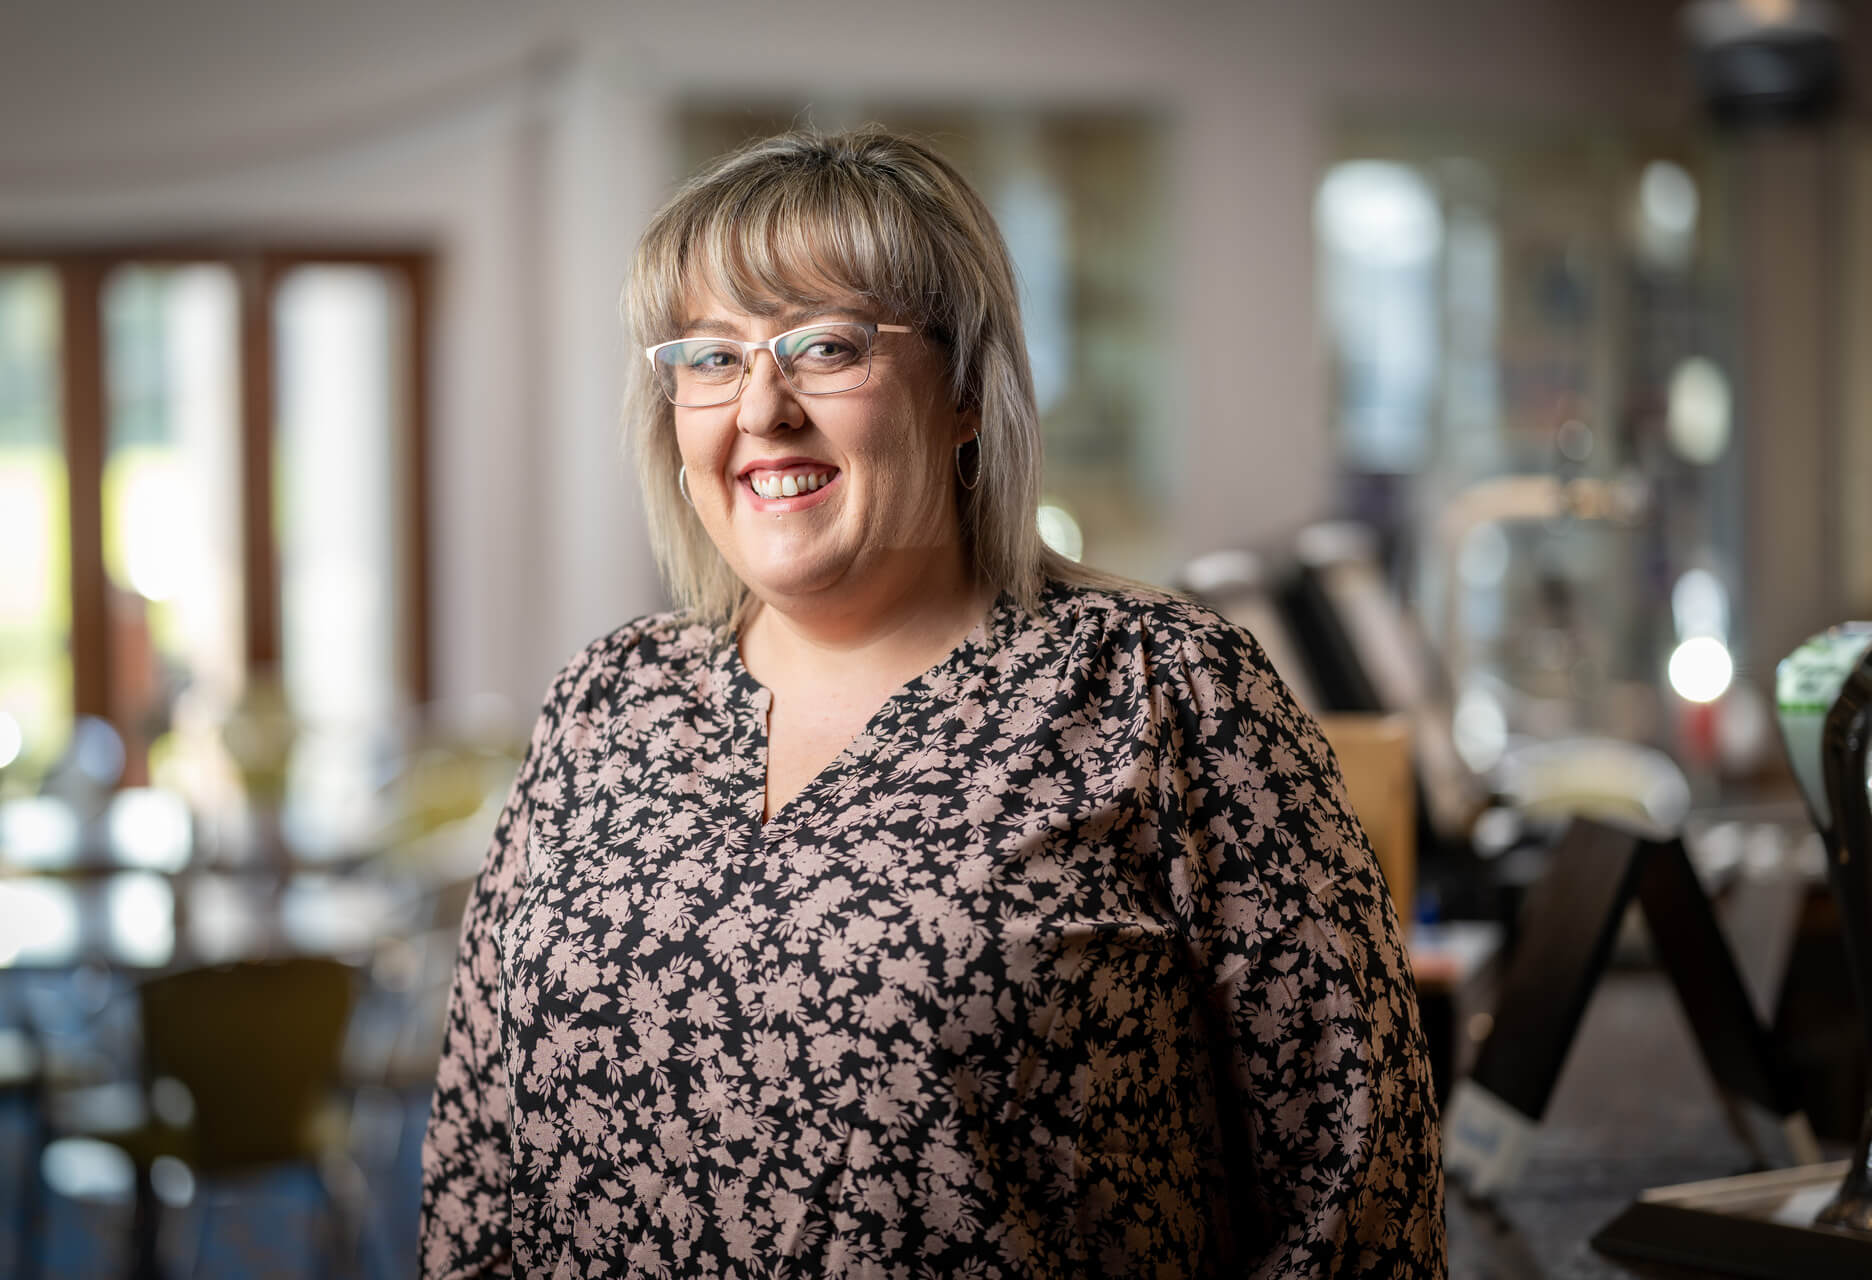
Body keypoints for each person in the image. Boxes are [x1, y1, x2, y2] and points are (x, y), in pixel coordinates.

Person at [420, 128, 1443, 1278]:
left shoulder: (1166, 690)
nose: (761, 409)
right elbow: (476, 1166)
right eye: (710, 357)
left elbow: (1361, 1191)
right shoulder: (605, 701)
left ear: (964, 389)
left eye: (825, 347)